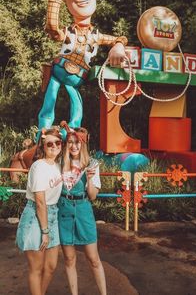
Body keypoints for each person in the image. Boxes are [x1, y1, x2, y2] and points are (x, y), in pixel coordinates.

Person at [36, 0, 128, 137]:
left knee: (77, 108)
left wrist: (118, 47)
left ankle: (74, 134)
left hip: (77, 77)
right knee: (49, 102)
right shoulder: (68, 32)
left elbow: (119, 38)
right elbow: (52, 27)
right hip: (59, 70)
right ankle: (42, 134)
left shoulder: (96, 35)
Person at [58, 121, 106, 295]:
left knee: (93, 259)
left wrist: (91, 179)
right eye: (70, 142)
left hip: (83, 210)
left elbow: (93, 196)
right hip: (64, 210)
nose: (74, 145)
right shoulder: (60, 162)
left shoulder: (91, 164)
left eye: (77, 142)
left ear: (83, 143)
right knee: (69, 259)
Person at [16, 127, 63, 295]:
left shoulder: (57, 166)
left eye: (57, 142)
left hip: (53, 215)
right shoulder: (38, 166)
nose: (54, 146)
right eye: (49, 143)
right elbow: (40, 202)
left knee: (51, 266)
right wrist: (45, 231)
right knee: (36, 268)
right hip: (36, 218)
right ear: (43, 146)